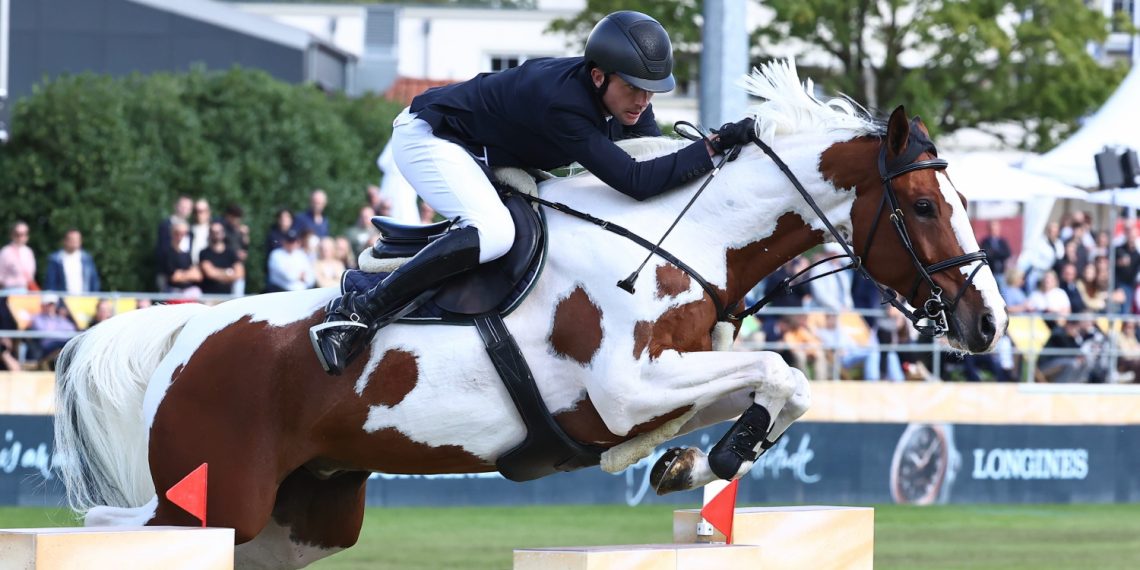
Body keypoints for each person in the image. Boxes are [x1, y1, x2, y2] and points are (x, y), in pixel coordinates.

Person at [311, 10, 753, 374]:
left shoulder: (619, 103)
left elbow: (652, 160)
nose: (642, 101)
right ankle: (358, 314)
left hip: (491, 151)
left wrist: (719, 161)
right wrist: (711, 147)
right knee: (493, 231)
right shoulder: (564, 105)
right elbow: (638, 183)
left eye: (651, 92)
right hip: (432, 139)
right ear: (598, 77)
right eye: (633, 89)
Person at [44, 229, 100, 294]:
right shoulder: (56, 259)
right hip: (62, 301)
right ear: (65, 241)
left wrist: (97, 299)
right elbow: (51, 282)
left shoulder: (87, 259)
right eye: (72, 239)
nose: (75, 242)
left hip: (84, 300)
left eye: (77, 239)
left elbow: (94, 282)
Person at [199, 222, 245, 296]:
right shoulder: (204, 253)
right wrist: (229, 272)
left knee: (239, 283)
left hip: (229, 296)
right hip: (209, 296)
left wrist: (218, 274)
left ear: (223, 233)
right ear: (209, 234)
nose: (216, 234)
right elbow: (210, 273)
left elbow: (240, 274)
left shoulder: (231, 253)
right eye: (213, 232)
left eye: (218, 231)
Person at [162, 222, 203, 297]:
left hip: (190, 292)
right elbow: (174, 277)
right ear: (172, 233)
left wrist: (182, 274)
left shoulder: (188, 254)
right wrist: (189, 274)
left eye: (184, 233)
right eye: (177, 233)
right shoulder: (167, 253)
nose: (181, 236)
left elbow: (198, 276)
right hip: (174, 293)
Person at [0, 221, 36, 291]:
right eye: (18, 234)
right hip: (9, 291)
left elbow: (31, 274)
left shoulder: (28, 252)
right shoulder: (5, 252)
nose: (21, 237)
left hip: (26, 290)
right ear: (12, 234)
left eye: (24, 234)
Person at [980, 220, 1011, 287]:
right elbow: (985, 255)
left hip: (1001, 272)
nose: (994, 231)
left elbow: (1007, 253)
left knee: (1003, 291)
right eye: (992, 229)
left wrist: (994, 253)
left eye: (995, 229)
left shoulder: (1002, 241)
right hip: (990, 272)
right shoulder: (985, 242)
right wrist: (998, 254)